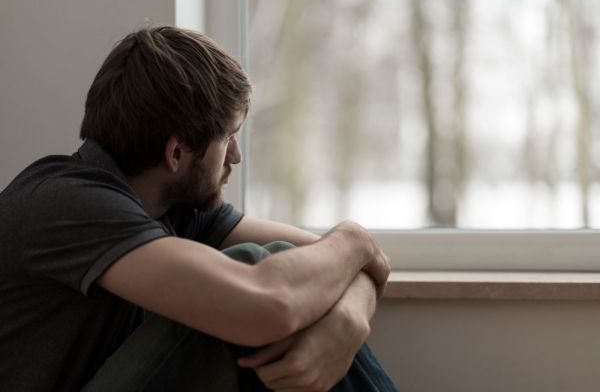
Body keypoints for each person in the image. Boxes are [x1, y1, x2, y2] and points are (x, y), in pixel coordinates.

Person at [0, 26, 397, 391]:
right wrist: (355, 238)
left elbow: (340, 261)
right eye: (229, 138)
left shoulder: (168, 206)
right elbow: (271, 303)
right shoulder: (67, 201)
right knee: (253, 274)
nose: (237, 157)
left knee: (285, 267)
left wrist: (347, 321)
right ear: (176, 153)